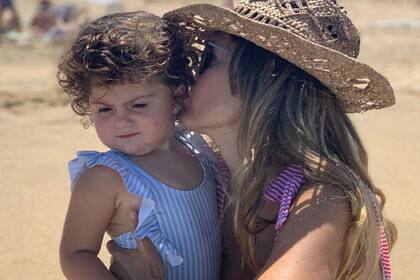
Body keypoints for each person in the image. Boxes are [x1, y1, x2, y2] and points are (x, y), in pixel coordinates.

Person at [107, 1, 398, 280]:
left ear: (263, 80)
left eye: (208, 58)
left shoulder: (323, 200)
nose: (187, 71)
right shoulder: (214, 181)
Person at [57, 11, 222, 280]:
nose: (121, 121)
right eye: (105, 109)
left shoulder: (196, 147)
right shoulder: (106, 177)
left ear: (177, 94)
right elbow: (75, 254)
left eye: (138, 106)